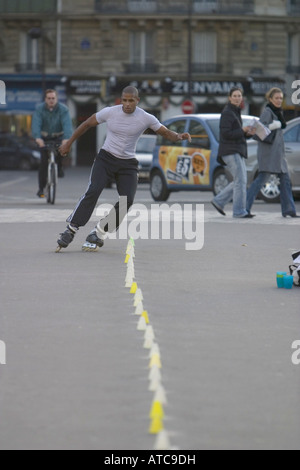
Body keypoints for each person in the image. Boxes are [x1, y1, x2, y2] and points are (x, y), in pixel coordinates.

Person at [56, 86, 191, 250]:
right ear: (121, 99)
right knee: (94, 190)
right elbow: (86, 124)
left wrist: (178, 136)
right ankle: (71, 229)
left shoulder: (145, 117)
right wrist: (69, 144)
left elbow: (165, 132)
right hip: (105, 159)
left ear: (137, 101)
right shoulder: (110, 112)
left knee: (127, 201)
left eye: (131, 101)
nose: (127, 104)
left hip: (128, 164)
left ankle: (99, 232)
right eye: (124, 100)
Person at [247, 87, 299, 218]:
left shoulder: (278, 112)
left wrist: (276, 125)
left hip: (278, 155)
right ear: (270, 99)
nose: (279, 100)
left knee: (286, 181)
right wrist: (272, 126)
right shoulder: (267, 112)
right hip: (268, 154)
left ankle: (289, 210)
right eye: (276, 98)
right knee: (260, 180)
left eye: (281, 98)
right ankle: (244, 208)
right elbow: (259, 131)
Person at [211, 87, 256, 218]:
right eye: (235, 96)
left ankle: (219, 201)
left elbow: (236, 134)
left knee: (240, 180)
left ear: (242, 98)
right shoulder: (227, 112)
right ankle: (239, 211)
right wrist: (242, 131)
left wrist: (247, 133)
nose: (237, 98)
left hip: (236, 149)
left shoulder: (235, 112)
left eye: (239, 96)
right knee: (241, 180)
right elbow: (225, 134)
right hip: (230, 151)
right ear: (229, 98)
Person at [32, 89, 73, 198]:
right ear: (45, 99)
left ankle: (59, 168)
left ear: (56, 99)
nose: (51, 100)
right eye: (49, 98)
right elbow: (36, 124)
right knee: (43, 163)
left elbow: (67, 125)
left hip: (58, 137)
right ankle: (41, 189)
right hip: (44, 138)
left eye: (53, 98)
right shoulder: (39, 109)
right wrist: (37, 138)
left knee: (61, 151)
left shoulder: (63, 109)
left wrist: (66, 138)